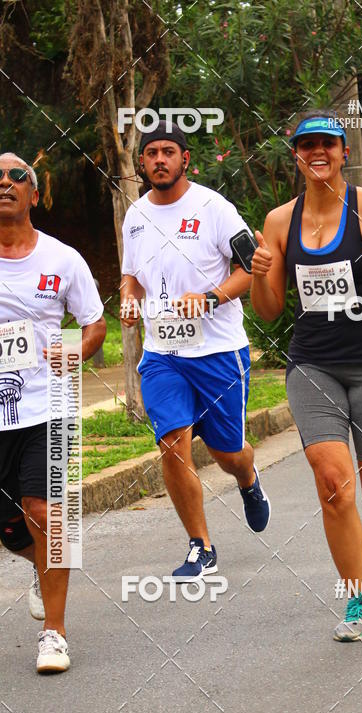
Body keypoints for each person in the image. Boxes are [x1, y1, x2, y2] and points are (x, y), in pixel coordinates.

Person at [250, 111, 362, 642]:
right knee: (333, 485)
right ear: (296, 156)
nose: (317, 153)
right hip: (313, 365)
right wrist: (260, 275)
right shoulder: (280, 221)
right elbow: (269, 308)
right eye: (307, 146)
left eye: (327, 143)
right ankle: (359, 600)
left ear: (343, 151)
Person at [120, 121, 271, 583]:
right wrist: (128, 297)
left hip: (217, 352)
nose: (160, 160)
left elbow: (252, 269)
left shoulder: (214, 208)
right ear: (141, 163)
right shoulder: (135, 216)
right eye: (152, 153)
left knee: (228, 454)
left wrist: (210, 298)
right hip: (163, 353)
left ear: (185, 159)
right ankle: (200, 547)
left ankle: (247, 478)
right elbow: (132, 276)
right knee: (172, 446)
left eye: (169, 151)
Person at [0, 152, 106, 672]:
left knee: (46, 514)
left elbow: (94, 324)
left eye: (18, 177)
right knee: (9, 527)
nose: (6, 182)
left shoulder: (63, 259)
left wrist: (76, 349)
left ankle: (54, 633)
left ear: (34, 195)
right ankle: (39, 562)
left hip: (48, 404)